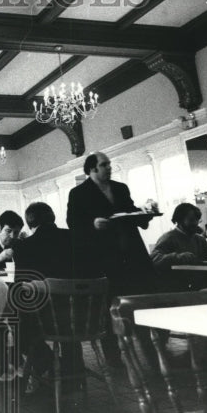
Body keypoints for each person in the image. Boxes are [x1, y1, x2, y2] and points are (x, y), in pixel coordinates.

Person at [66, 152, 155, 365]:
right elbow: (73, 223)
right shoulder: (78, 193)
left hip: (131, 254)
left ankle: (151, 353)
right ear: (92, 169)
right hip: (103, 257)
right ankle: (114, 358)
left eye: (109, 164)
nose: (109, 167)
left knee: (139, 302)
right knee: (107, 307)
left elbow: (129, 212)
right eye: (104, 164)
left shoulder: (120, 188)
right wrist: (92, 224)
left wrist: (144, 214)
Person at [5, 202, 73, 390]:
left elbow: (21, 287)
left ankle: (49, 363)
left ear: (29, 223)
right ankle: (71, 368)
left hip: (48, 319)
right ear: (53, 217)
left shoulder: (24, 246)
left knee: (14, 317)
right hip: (84, 315)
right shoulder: (76, 237)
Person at [150, 203, 207, 269]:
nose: (195, 223)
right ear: (179, 220)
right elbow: (154, 259)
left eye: (197, 220)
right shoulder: (168, 238)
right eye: (191, 220)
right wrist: (179, 257)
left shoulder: (200, 240)